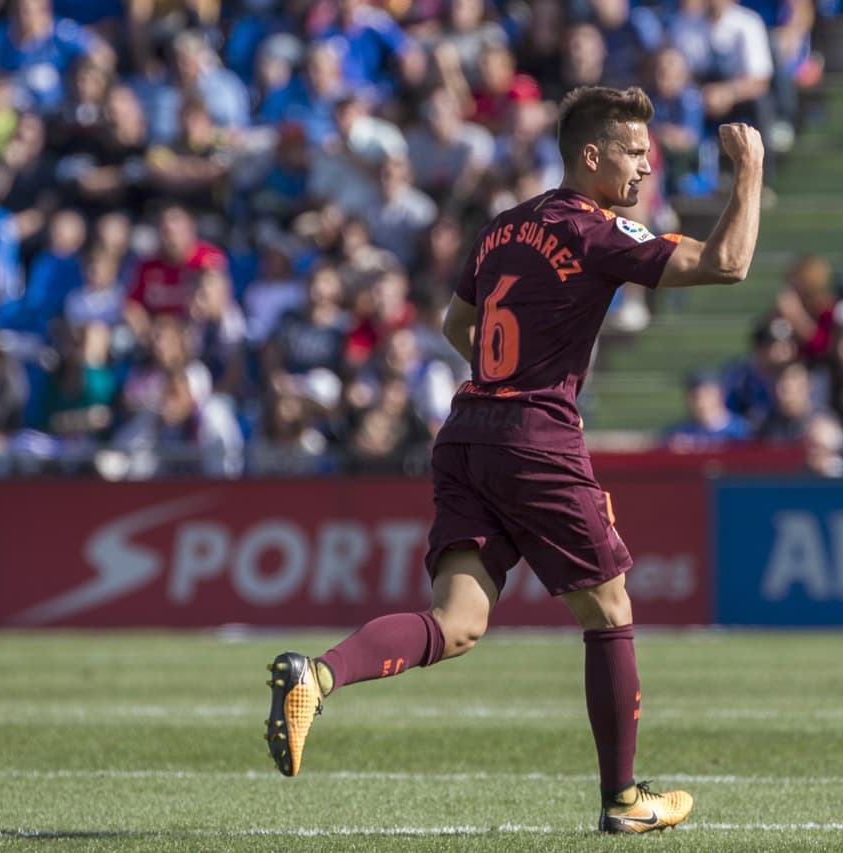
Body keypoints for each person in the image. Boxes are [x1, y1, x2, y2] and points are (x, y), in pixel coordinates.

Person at [263, 86, 765, 834]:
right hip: (534, 436)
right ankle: (624, 800)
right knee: (610, 611)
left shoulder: (504, 226)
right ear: (591, 156)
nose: (645, 166)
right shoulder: (595, 229)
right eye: (634, 152)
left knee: (456, 621)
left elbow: (455, 322)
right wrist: (749, 170)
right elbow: (727, 264)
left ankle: (319, 673)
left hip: (468, 430)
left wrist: (507, 384)